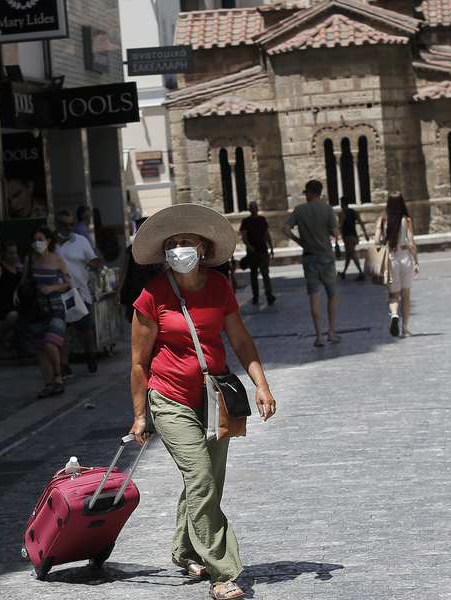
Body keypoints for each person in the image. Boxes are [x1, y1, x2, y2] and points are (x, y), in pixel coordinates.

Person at [129, 203, 276, 600]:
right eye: (172, 243)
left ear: (203, 248)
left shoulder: (219, 286)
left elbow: (241, 340)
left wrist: (261, 385)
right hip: (170, 399)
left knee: (209, 480)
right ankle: (223, 571)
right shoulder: (151, 295)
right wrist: (140, 416)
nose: (178, 249)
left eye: (185, 242)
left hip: (214, 398)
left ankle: (183, 549)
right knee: (200, 478)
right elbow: (139, 364)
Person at [282, 180, 342, 347]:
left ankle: (319, 336)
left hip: (309, 256)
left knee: (314, 296)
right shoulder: (327, 209)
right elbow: (337, 232)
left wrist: (299, 241)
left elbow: (285, 228)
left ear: (309, 192)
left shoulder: (300, 210)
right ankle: (331, 331)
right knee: (332, 294)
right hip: (326, 257)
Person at [15, 224, 72, 398]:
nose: (37, 243)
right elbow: (23, 282)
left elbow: (68, 284)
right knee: (40, 348)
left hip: (55, 308)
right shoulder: (29, 260)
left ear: (48, 241)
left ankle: (58, 377)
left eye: (40, 240)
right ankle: (48, 384)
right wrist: (15, 293)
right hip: (35, 309)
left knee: (49, 343)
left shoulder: (57, 259)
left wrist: (52, 289)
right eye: (34, 240)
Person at [54, 210, 105, 378]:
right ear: (57, 224)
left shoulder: (81, 241)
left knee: (84, 328)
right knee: (63, 330)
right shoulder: (50, 243)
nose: (68, 227)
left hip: (79, 293)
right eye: (64, 224)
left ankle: (89, 352)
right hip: (58, 293)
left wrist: (96, 264)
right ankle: (65, 365)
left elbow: (91, 262)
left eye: (70, 224)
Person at [374, 192, 420, 337]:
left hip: (391, 257)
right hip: (405, 256)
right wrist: (416, 263)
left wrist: (385, 241)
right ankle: (405, 328)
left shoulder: (382, 220)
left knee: (393, 295)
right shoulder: (406, 220)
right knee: (405, 294)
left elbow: (376, 241)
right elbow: (411, 243)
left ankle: (394, 314)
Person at [116, 218, 164, 322]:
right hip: (137, 293)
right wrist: (118, 292)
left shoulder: (159, 249)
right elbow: (124, 272)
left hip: (157, 293)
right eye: (138, 231)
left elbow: (167, 271)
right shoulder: (131, 249)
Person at [239, 201, 276, 305]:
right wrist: (248, 246)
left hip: (263, 250)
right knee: (254, 275)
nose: (254, 210)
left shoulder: (262, 220)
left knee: (265, 273)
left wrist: (271, 247)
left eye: (256, 208)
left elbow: (266, 234)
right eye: (252, 208)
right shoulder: (246, 222)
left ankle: (269, 295)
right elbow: (244, 235)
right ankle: (255, 295)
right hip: (252, 253)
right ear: (250, 209)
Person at [338, 196, 370, 281]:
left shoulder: (342, 214)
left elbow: (340, 226)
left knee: (352, 254)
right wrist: (365, 234)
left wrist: (337, 237)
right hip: (354, 236)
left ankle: (361, 273)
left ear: (343, 203)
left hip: (347, 237)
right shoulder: (354, 212)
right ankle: (344, 272)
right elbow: (361, 223)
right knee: (349, 255)